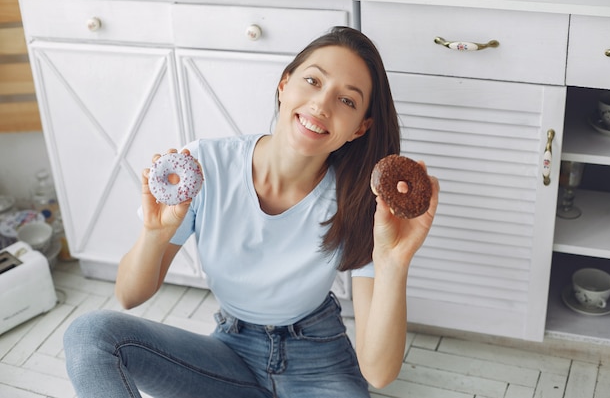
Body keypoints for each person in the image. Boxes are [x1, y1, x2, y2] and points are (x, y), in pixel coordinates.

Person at [63, 26, 439, 398]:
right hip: (229, 353)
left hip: (318, 360)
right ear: (284, 85)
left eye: (347, 101)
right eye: (312, 81)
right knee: (90, 336)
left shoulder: (362, 201)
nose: (321, 104)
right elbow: (129, 296)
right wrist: (154, 233)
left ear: (360, 128)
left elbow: (379, 373)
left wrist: (394, 262)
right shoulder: (204, 165)